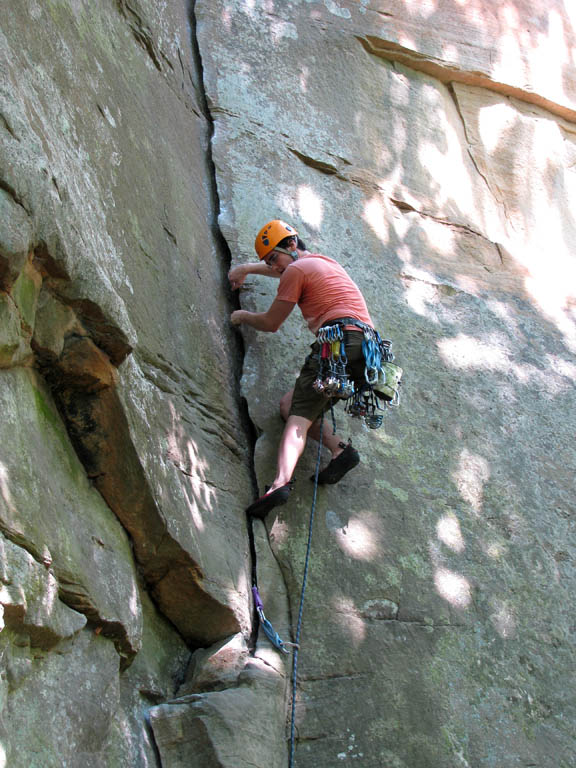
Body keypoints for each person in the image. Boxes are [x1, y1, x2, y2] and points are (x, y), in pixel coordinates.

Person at [229, 219, 375, 519]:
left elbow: (271, 324)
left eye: (274, 258)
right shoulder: (322, 262)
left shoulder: (294, 270)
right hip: (367, 351)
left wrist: (242, 316)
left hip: (337, 341)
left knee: (299, 417)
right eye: (270, 262)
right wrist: (245, 269)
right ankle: (340, 451)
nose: (275, 268)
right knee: (289, 405)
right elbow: (284, 268)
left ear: (292, 245)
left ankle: (279, 484)